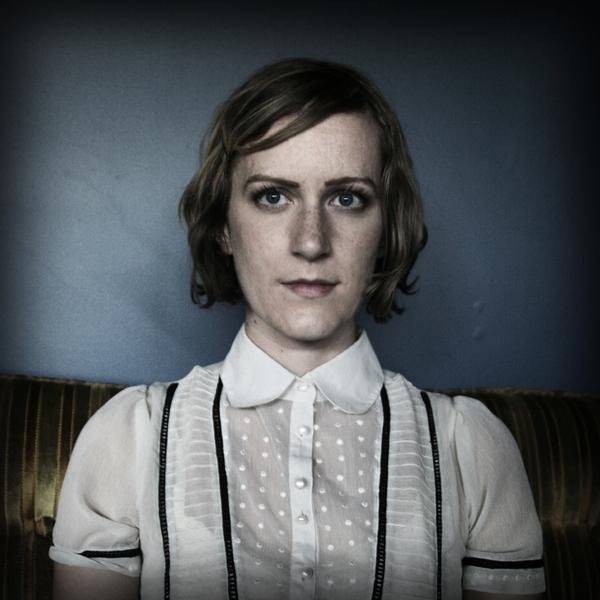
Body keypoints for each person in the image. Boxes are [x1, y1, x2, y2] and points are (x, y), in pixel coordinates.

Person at [50, 58, 546, 600]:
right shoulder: (130, 439)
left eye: (347, 198)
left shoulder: (469, 449)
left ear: (385, 228)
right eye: (272, 196)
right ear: (224, 227)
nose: (311, 241)